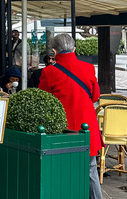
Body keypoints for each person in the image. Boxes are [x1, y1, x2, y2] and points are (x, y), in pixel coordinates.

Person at [39, 33, 103, 199]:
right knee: (90, 169)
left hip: (63, 128)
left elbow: (43, 101)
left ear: (54, 51)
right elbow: (95, 96)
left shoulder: (48, 72)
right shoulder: (88, 68)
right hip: (87, 125)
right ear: (74, 48)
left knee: (61, 169)